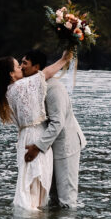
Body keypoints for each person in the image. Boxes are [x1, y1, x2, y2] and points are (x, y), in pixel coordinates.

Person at [0, 49, 72, 210]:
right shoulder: (21, 87)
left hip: (25, 138)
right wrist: (63, 60)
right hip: (35, 136)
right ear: (12, 75)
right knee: (35, 182)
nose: (21, 67)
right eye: (17, 67)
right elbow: (45, 73)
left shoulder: (8, 91)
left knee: (29, 181)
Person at [23, 50, 87, 208]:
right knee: (53, 196)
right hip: (51, 146)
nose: (22, 66)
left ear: (36, 67)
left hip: (66, 146)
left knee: (66, 197)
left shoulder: (53, 89)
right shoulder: (35, 86)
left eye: (25, 63)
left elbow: (57, 123)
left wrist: (37, 147)